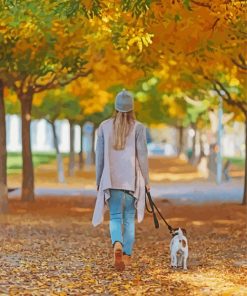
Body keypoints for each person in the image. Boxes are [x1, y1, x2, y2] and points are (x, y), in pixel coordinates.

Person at [92, 89, 150, 271]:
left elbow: (99, 157)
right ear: (131, 108)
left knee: (115, 217)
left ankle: (116, 243)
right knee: (129, 219)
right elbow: (143, 157)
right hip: (132, 183)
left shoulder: (104, 127)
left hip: (111, 181)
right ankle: (126, 255)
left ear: (115, 107)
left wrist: (98, 180)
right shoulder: (139, 128)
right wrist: (147, 181)